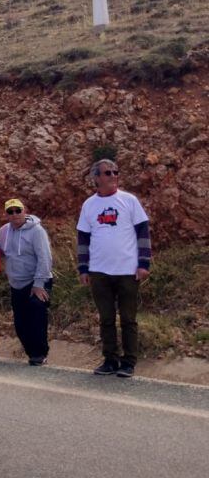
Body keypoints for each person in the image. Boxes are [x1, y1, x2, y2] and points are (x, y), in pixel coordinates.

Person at [77, 159, 151, 378]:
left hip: (127, 270)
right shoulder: (89, 205)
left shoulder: (129, 201)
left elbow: (143, 232)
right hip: (99, 271)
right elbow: (83, 237)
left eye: (116, 172)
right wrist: (83, 267)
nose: (113, 176)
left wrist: (144, 263)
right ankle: (110, 359)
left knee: (128, 318)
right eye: (107, 173)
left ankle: (129, 361)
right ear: (96, 178)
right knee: (106, 318)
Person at [0, 198, 53, 366]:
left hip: (37, 280)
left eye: (17, 210)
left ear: (25, 211)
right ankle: (31, 352)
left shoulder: (37, 231)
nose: (14, 215)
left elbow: (45, 258)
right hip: (16, 282)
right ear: (6, 215)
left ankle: (40, 354)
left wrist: (39, 284)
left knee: (36, 314)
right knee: (21, 323)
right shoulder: (4, 231)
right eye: (10, 212)